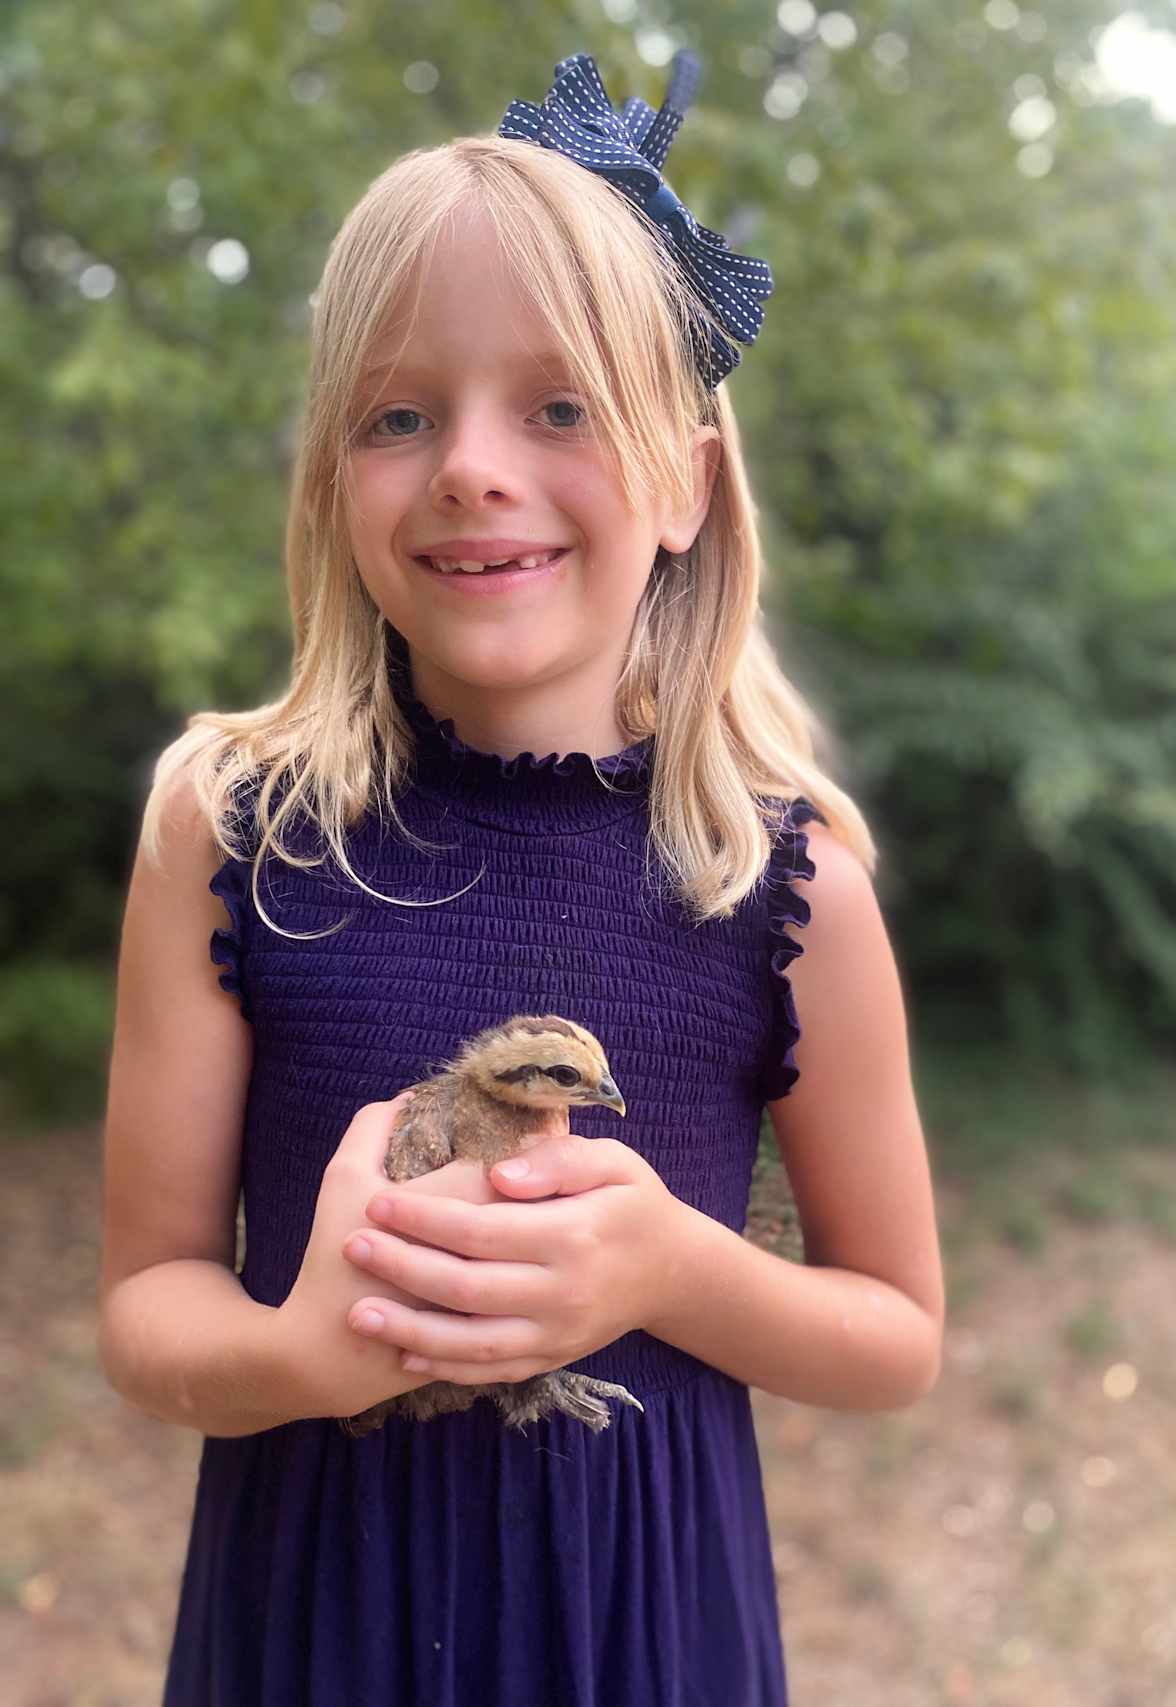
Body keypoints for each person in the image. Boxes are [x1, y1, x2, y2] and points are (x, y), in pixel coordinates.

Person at [98, 49, 945, 1707]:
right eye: (399, 415)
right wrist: (290, 1355)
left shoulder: (784, 887)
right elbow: (145, 1306)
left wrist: (674, 1269)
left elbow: (897, 1333)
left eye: (557, 406)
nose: (472, 466)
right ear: (335, 486)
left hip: (641, 1631)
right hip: (314, 1618)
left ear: (688, 479)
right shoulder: (231, 836)